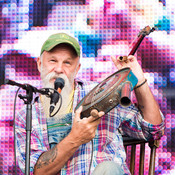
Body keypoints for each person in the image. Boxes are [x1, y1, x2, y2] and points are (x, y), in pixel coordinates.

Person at [15, 33, 164, 175]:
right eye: (53, 61)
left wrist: (139, 81)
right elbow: (36, 171)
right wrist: (75, 138)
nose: (59, 69)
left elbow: (153, 129)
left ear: (77, 68)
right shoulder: (27, 114)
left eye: (67, 62)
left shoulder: (102, 94)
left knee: (108, 167)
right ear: (40, 64)